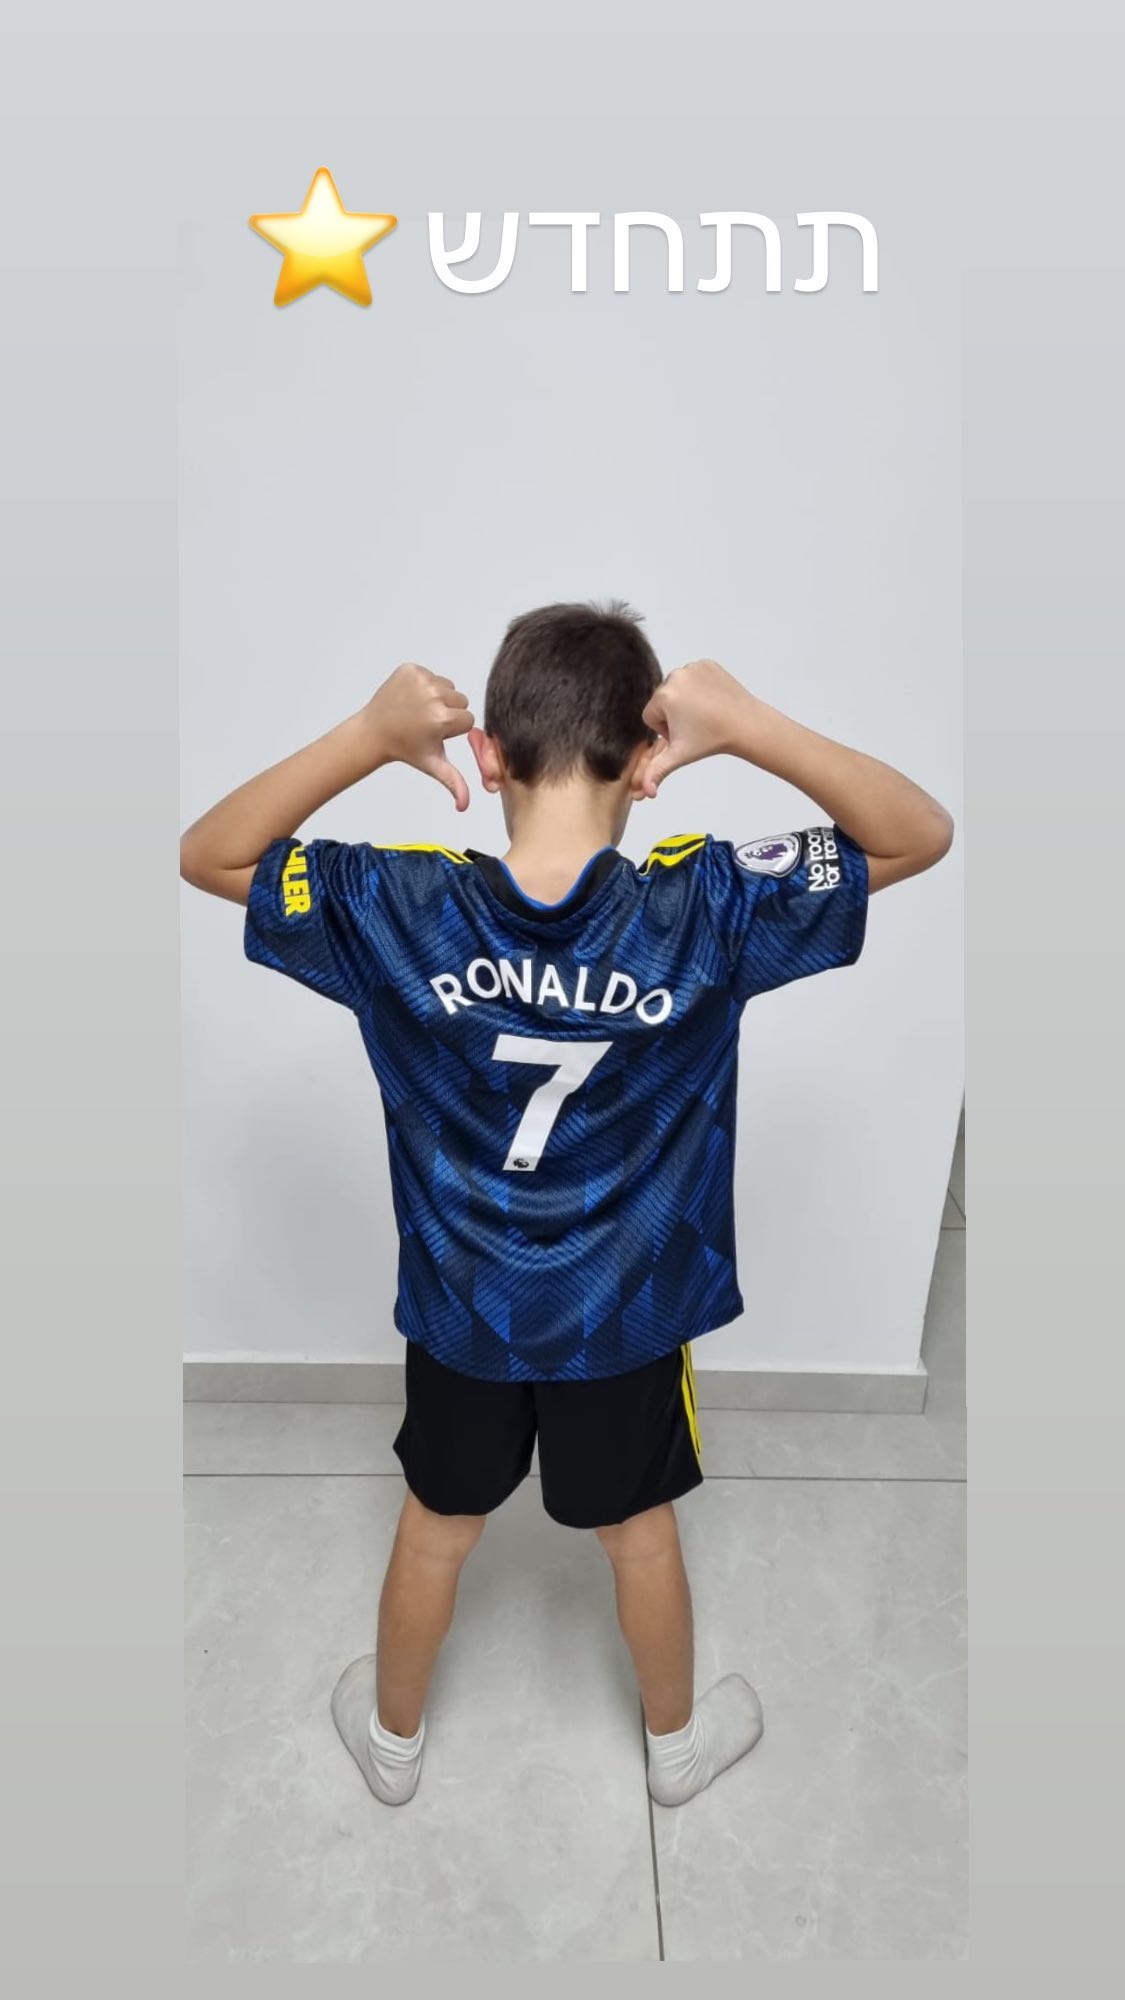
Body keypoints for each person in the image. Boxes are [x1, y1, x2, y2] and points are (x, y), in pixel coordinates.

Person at [180, 600, 953, 1810]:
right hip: (622, 1319)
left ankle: (392, 1746)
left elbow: (209, 853)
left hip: (464, 1315)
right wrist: (747, 721)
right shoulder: (702, 907)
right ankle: (675, 1750)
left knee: (436, 1524)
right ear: (648, 762)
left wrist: (366, 735)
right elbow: (919, 832)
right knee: (638, 1530)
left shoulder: (402, 906)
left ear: (487, 755)